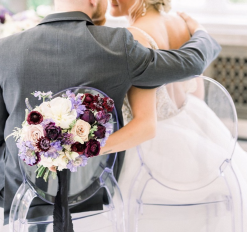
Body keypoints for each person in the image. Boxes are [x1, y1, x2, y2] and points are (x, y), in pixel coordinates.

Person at [0, 0, 221, 227]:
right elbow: (191, 63)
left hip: (20, 197)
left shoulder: (5, 49)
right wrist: (202, 34)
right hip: (93, 196)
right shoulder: (117, 45)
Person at [108, 0, 247, 231]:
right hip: (193, 121)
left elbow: (142, 114)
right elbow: (197, 88)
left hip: (152, 141)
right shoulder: (182, 22)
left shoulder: (133, 37)